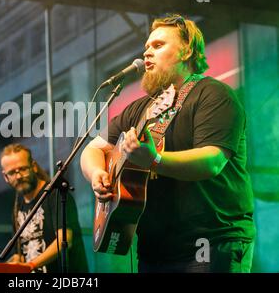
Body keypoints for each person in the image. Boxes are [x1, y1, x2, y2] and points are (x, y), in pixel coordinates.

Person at [80, 14, 255, 273]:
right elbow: (94, 148)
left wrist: (154, 160)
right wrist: (98, 173)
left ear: (186, 51)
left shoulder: (214, 94)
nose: (146, 53)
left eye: (158, 45)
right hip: (154, 249)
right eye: (147, 47)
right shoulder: (139, 109)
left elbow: (212, 161)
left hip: (212, 242)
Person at [0, 143, 88, 273]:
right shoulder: (17, 207)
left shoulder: (56, 194)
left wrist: (31, 265)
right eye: (12, 172)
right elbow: (21, 253)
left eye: (22, 169)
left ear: (34, 167)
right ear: (5, 177)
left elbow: (64, 240)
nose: (18, 176)